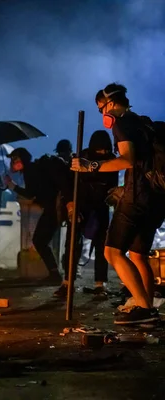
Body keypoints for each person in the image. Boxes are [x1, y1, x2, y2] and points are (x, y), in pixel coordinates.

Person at [71, 83, 163, 325]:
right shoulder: (144, 122)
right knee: (138, 255)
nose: (103, 115)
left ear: (109, 104)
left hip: (137, 198)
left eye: (101, 109)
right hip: (156, 199)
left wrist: (89, 165)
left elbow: (128, 160)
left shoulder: (122, 123)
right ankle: (148, 306)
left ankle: (143, 308)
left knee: (111, 252)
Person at [4, 148, 74, 288]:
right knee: (42, 240)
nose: (12, 163)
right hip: (55, 207)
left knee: (39, 240)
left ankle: (56, 275)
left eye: (14, 159)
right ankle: (56, 274)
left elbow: (30, 193)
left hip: (53, 209)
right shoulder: (34, 168)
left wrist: (12, 186)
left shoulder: (30, 170)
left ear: (21, 159)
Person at [77, 130, 119, 298]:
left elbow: (113, 183)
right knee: (73, 242)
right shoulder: (83, 157)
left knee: (102, 245)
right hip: (82, 204)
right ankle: (67, 280)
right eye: (99, 150)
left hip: (101, 206)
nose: (102, 153)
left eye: (105, 150)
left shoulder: (112, 160)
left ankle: (100, 283)